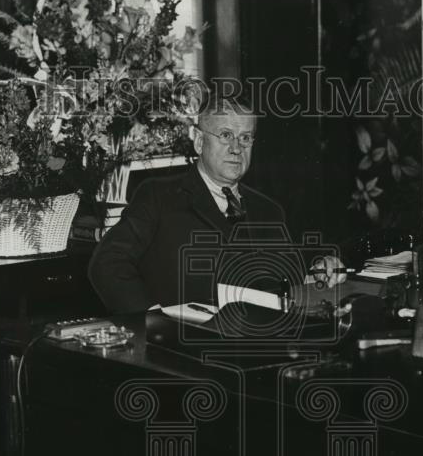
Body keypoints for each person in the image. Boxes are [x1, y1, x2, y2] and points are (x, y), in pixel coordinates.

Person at [88, 95, 345, 313]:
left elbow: (288, 278)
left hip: (254, 342)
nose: (236, 148)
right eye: (225, 135)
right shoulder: (158, 196)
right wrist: (151, 319)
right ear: (199, 141)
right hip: (181, 350)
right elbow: (107, 264)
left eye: (245, 138)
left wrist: (319, 269)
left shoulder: (268, 210)